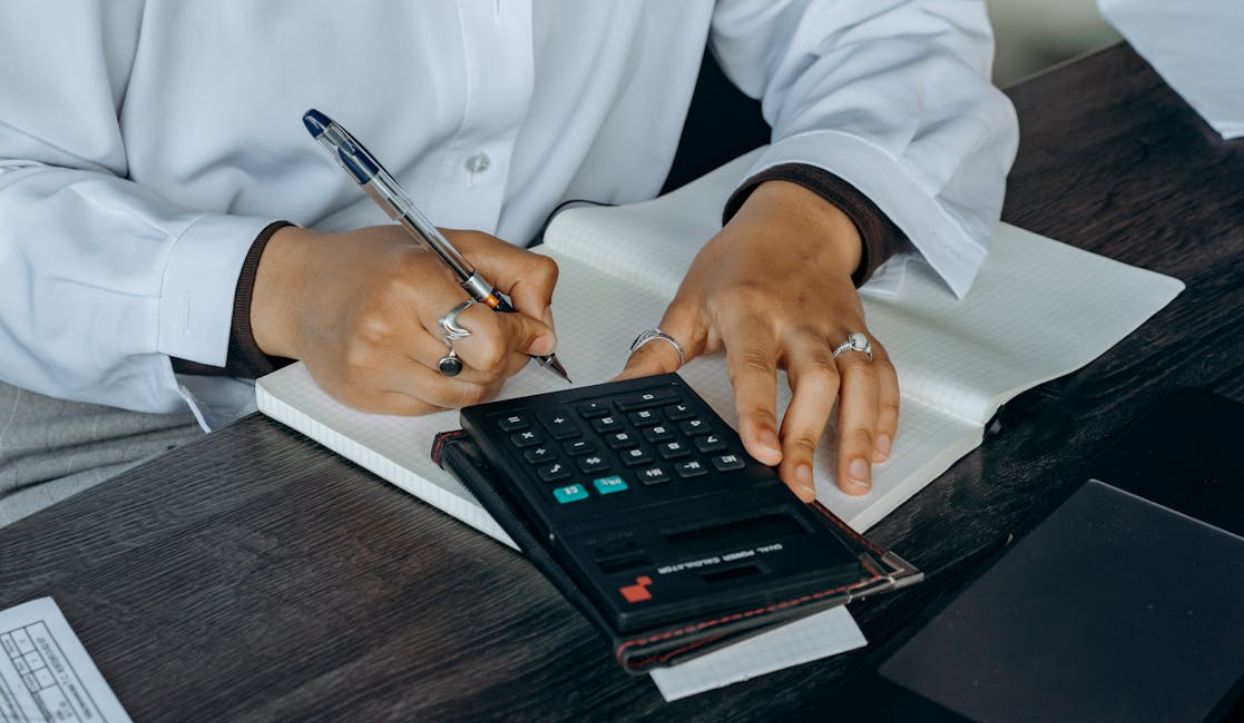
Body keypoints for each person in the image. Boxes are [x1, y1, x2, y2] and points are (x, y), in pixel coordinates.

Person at [0, 1, 1017, 524]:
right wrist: (283, 287)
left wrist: (805, 221)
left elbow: (886, 24)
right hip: (110, 359)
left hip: (577, 324)